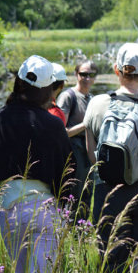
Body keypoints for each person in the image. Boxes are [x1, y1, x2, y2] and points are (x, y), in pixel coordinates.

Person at [0, 55, 76, 273]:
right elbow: (69, 169)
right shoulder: (53, 124)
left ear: (18, 82)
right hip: (45, 208)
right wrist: (68, 209)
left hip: (9, 207)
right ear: (48, 88)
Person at [83, 43, 138, 272]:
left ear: (116, 70)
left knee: (111, 260)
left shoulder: (96, 104)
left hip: (109, 191)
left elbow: (93, 157)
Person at [57, 60, 98, 220]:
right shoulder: (68, 96)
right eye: (83, 74)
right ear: (76, 74)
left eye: (91, 75)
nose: (87, 78)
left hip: (89, 152)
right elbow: (61, 131)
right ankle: (66, 230)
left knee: (87, 193)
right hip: (74, 152)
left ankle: (81, 232)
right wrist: (86, 123)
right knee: (74, 194)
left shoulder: (92, 99)